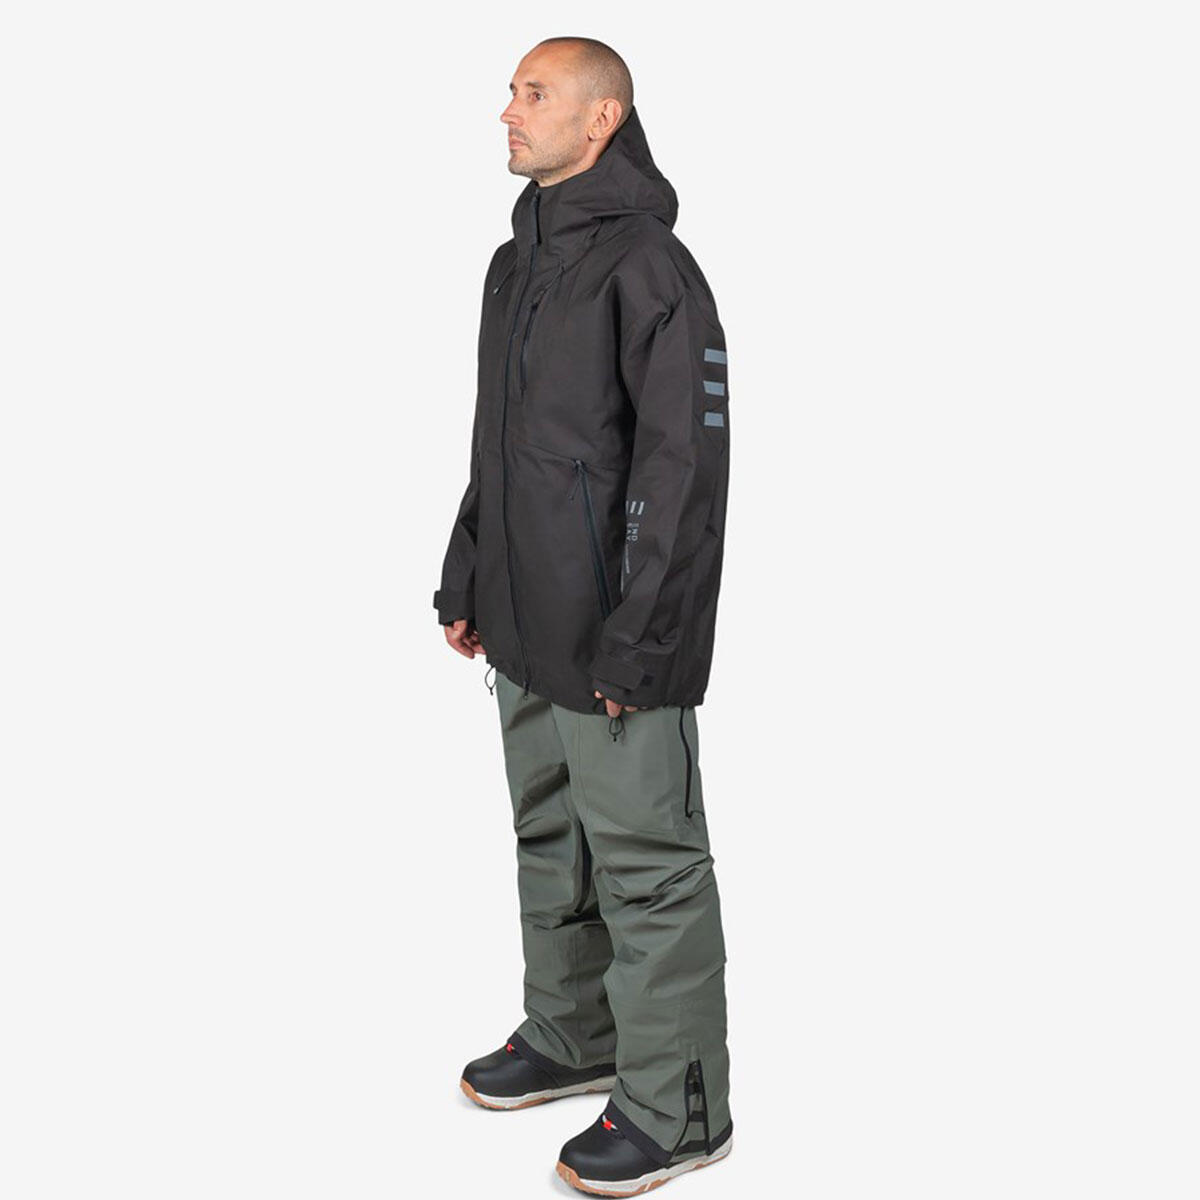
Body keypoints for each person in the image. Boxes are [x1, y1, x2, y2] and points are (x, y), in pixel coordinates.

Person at [433, 36, 733, 1196]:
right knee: (551, 839)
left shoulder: (651, 270)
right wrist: (470, 573)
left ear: (601, 120)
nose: (507, 109)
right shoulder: (516, 263)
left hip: (616, 639)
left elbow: (684, 472)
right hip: (525, 622)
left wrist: (642, 640)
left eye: (535, 92)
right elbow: (503, 443)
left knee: (649, 870)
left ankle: (681, 1108)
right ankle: (574, 1033)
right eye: (513, 90)